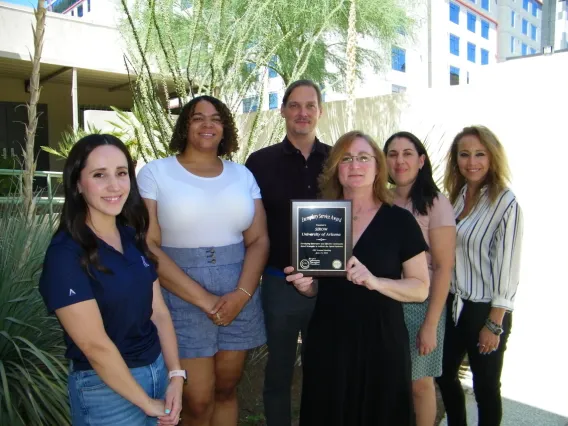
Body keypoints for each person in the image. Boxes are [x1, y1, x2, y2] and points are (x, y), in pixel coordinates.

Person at [137, 95, 268, 426]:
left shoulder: (243, 176)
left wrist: (241, 295)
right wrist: (204, 299)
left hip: (239, 289)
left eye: (216, 118)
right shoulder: (156, 173)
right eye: (198, 117)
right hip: (180, 292)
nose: (208, 124)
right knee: (196, 398)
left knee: (226, 388)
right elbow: (149, 244)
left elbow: (258, 240)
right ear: (185, 125)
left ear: (225, 128)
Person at [285, 130, 430, 426]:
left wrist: (376, 281)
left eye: (364, 158)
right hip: (329, 340)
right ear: (336, 168)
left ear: (378, 167)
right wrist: (307, 285)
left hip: (382, 342)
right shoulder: (320, 218)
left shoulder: (399, 221)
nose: (355, 165)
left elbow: (420, 288)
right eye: (346, 158)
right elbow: (317, 288)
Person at [39, 134, 183, 426]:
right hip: (106, 390)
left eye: (121, 173)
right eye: (99, 175)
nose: (114, 185)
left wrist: (176, 375)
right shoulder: (65, 256)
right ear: (78, 184)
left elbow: (158, 312)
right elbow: (95, 346)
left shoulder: (131, 237)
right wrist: (146, 404)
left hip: (157, 372)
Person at [245, 79, 330, 426]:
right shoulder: (260, 163)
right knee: (278, 373)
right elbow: (249, 222)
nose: (302, 112)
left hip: (330, 286)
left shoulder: (338, 159)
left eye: (310, 105)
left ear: (320, 112)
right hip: (279, 285)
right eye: (294, 105)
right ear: (282, 110)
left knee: (323, 371)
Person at [436, 125, 524, 426]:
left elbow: (509, 267)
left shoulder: (505, 203)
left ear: (492, 157)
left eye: (479, 154)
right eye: (464, 154)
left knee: (485, 387)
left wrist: (494, 323)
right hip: (452, 304)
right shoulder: (457, 197)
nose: (471, 162)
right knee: (444, 372)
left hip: (485, 309)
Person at [384, 131, 456, 426]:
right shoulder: (381, 201)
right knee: (390, 380)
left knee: (420, 384)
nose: (399, 161)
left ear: (421, 160)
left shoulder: (435, 204)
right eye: (392, 154)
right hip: (386, 300)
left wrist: (430, 324)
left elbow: (442, 268)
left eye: (407, 153)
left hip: (422, 305)